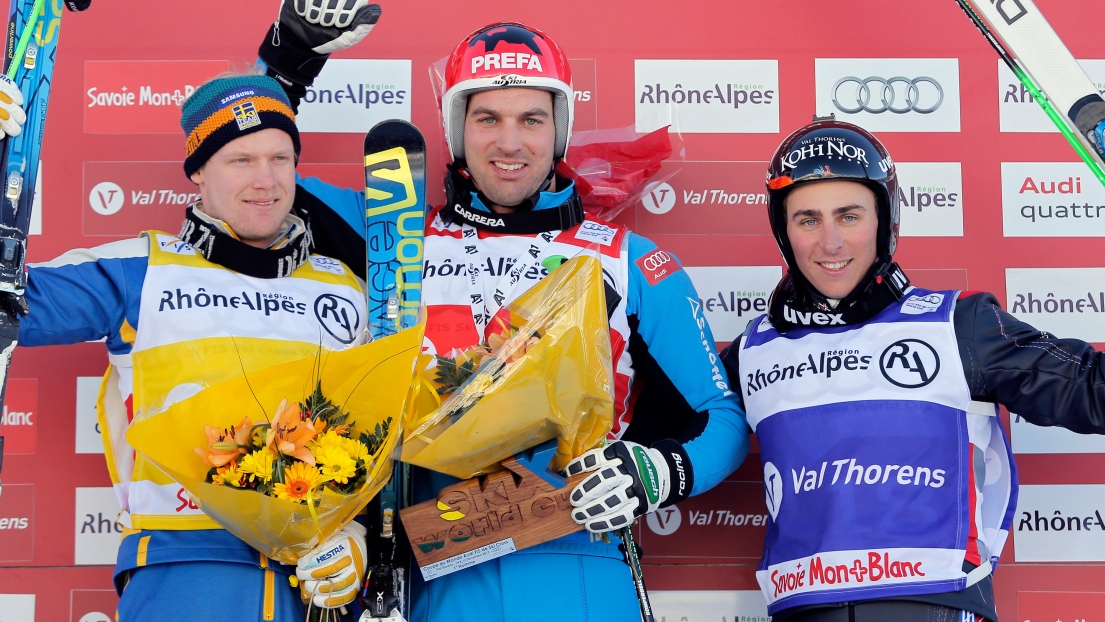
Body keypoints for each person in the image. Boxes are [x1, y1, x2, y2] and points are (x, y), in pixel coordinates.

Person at [257, 6, 751, 621]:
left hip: (580, 571)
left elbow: (722, 419)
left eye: (532, 119)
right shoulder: (391, 232)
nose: (509, 142)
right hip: (428, 576)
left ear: (559, 131)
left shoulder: (632, 262)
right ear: (457, 128)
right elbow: (252, 176)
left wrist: (656, 472)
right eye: (486, 116)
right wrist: (285, 63)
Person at [16, 73, 375, 620]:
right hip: (185, 567)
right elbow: (13, 302)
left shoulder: (347, 287)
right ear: (198, 172)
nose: (266, 179)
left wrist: (356, 532)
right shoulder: (141, 270)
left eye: (281, 159)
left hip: (317, 581)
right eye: (241, 160)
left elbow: (378, 429)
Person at [720, 117, 1105, 622]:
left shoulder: (960, 324)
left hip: (934, 604)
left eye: (850, 216)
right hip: (805, 609)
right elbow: (672, 438)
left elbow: (1092, 391)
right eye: (808, 220)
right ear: (783, 231)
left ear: (884, 219)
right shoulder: (752, 349)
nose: (830, 243)